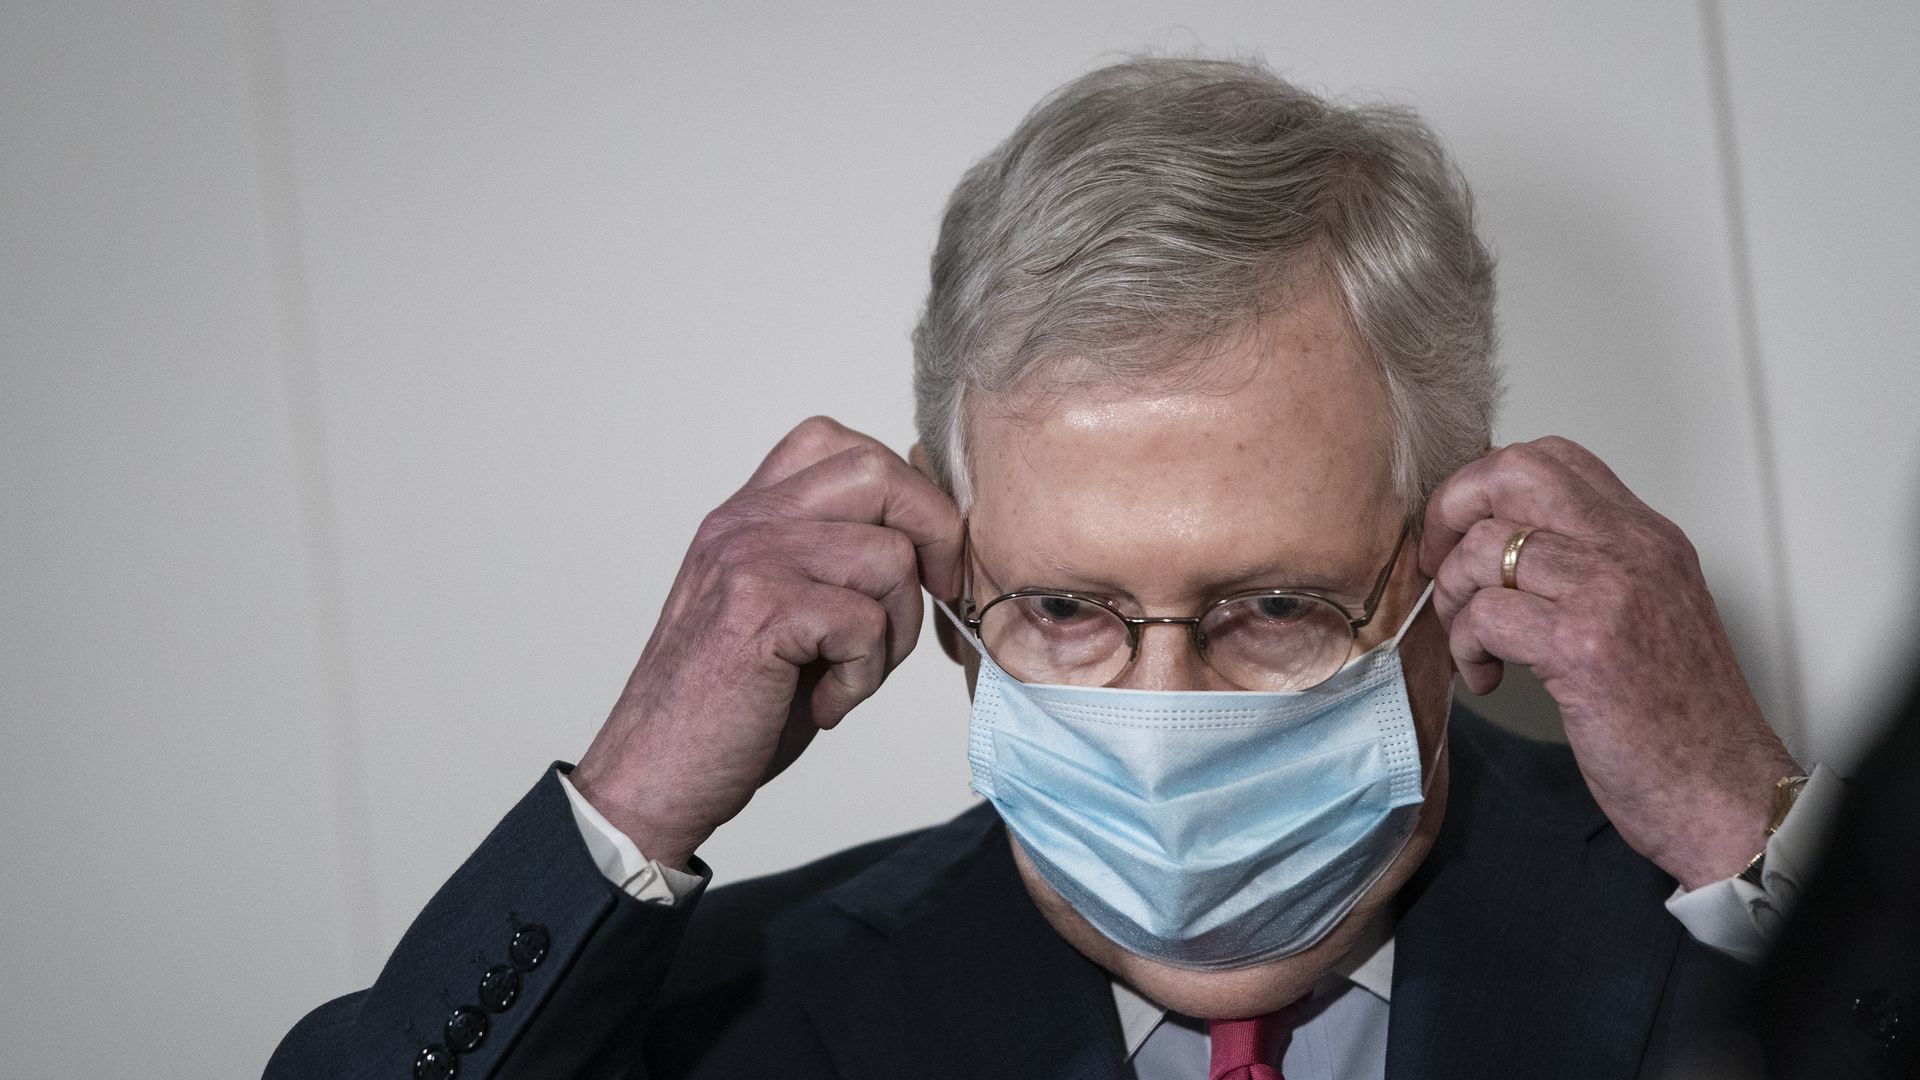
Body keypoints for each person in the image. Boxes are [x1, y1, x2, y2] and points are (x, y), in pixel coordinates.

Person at [267, 57, 1841, 1079]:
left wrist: (1749, 836)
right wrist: (629, 801)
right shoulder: (739, 1015)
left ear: (1460, 579)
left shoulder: (1737, 950)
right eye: (1070, 609)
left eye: (1276, 605)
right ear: (952, 610)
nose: (1166, 712)